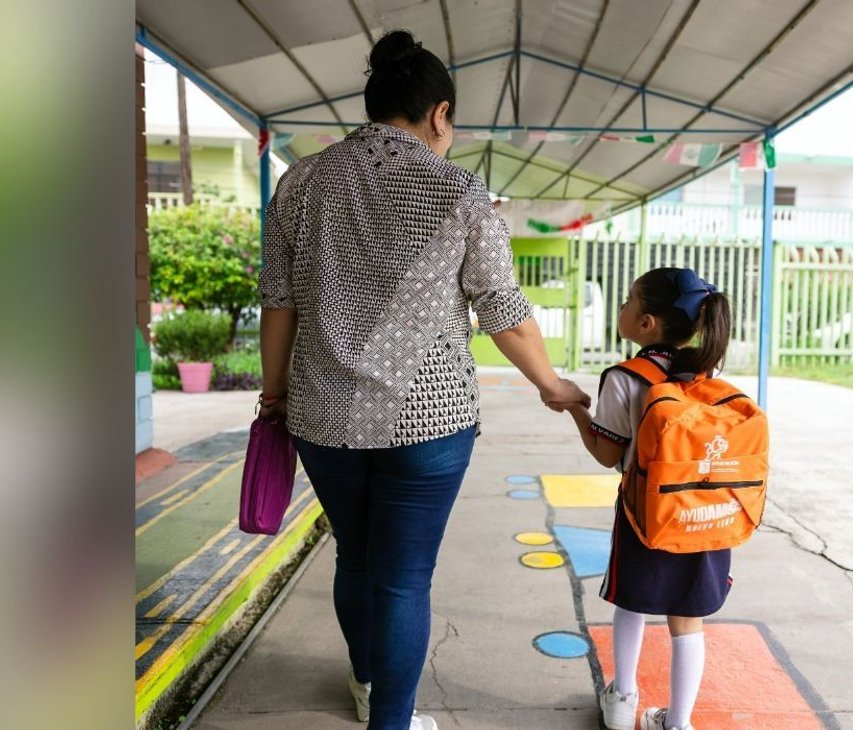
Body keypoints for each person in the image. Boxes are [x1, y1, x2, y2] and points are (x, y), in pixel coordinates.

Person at [256, 29, 589, 730]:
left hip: (322, 415)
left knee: (354, 552)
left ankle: (365, 681)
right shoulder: (460, 190)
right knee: (404, 577)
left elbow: (278, 302)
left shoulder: (301, 182)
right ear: (440, 114)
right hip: (428, 421)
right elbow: (504, 311)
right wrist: (551, 385)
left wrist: (274, 394)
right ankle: (392, 722)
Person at [561, 267, 734, 730]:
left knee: (633, 601)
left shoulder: (624, 376)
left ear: (646, 324)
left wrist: (578, 411)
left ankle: (622, 699)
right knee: (688, 617)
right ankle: (678, 723)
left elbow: (606, 453)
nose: (622, 306)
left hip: (645, 512)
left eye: (628, 299)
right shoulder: (707, 370)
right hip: (704, 511)